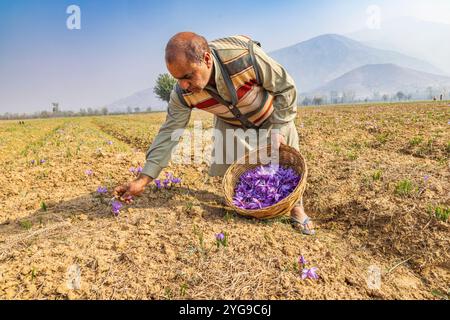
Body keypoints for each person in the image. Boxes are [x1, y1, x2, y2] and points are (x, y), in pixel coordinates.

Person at [114, 32, 315, 235]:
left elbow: (286, 88)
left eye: (187, 76)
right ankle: (254, 207)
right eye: (177, 78)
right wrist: (143, 179)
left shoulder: (244, 56)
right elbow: (169, 132)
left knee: (284, 148)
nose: (183, 84)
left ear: (207, 59)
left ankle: (296, 208)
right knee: (243, 174)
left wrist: (278, 129)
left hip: (270, 115)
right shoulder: (182, 93)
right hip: (232, 124)